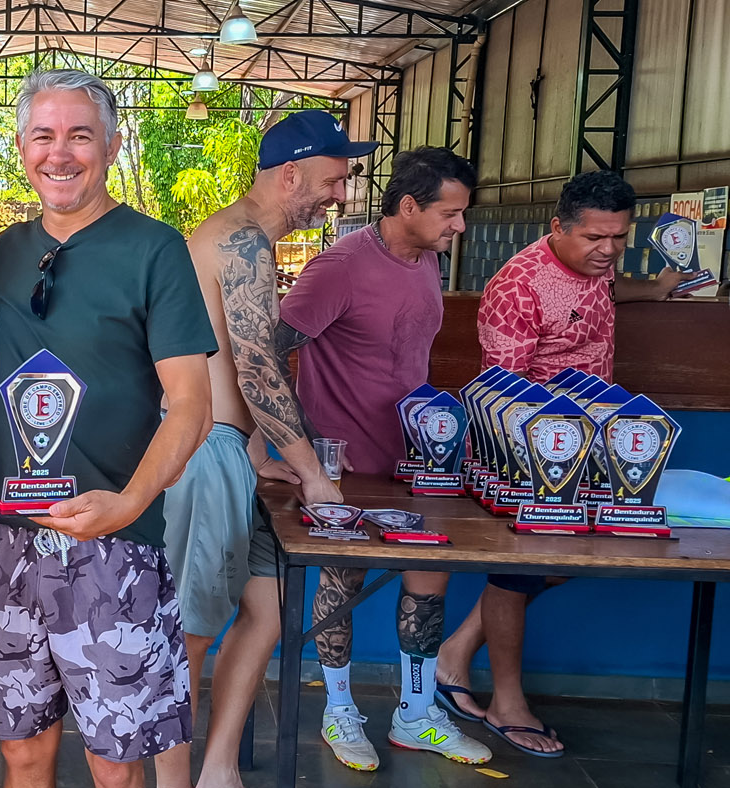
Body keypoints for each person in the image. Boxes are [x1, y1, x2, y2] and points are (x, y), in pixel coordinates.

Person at [0, 69, 215, 788]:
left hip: (112, 540)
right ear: (22, 147)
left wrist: (129, 503)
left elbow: (191, 405)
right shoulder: (8, 250)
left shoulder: (154, 248)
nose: (60, 153)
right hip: (4, 538)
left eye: (80, 135)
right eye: (43, 135)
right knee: (21, 749)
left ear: (110, 146)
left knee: (115, 759)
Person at [436, 170, 696, 759]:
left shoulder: (597, 266)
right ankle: (506, 704)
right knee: (519, 571)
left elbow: (604, 289)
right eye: (595, 238)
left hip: (596, 451)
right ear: (558, 227)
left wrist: (655, 288)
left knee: (564, 562)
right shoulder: (518, 287)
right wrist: (543, 471)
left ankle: (456, 652)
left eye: (619, 237)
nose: (609, 250)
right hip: (533, 453)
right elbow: (504, 393)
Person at [155, 110, 379, 788]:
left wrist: (261, 456)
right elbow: (255, 368)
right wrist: (314, 474)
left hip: (235, 454)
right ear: (289, 175)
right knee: (190, 633)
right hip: (205, 454)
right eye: (332, 180)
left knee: (268, 612)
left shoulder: (243, 239)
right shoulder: (240, 240)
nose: (340, 195)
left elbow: (230, 361)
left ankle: (219, 769)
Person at [276, 146, 490, 771]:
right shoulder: (339, 267)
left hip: (417, 465)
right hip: (347, 468)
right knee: (342, 584)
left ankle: (416, 715)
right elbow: (267, 351)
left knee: (429, 581)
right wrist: (293, 445)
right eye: (450, 214)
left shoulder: (427, 261)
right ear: (409, 207)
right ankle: (339, 709)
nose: (459, 226)